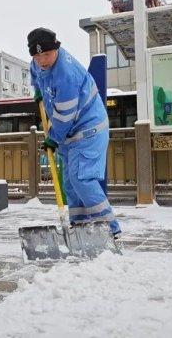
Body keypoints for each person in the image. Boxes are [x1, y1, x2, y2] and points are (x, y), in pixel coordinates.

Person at [28, 27, 121, 237]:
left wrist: (52, 138)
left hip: (88, 129)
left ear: (57, 49)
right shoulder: (37, 63)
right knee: (70, 184)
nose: (42, 60)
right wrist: (37, 90)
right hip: (70, 133)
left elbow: (63, 118)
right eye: (37, 55)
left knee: (83, 180)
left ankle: (110, 229)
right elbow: (35, 75)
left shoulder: (66, 75)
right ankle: (79, 227)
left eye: (47, 54)